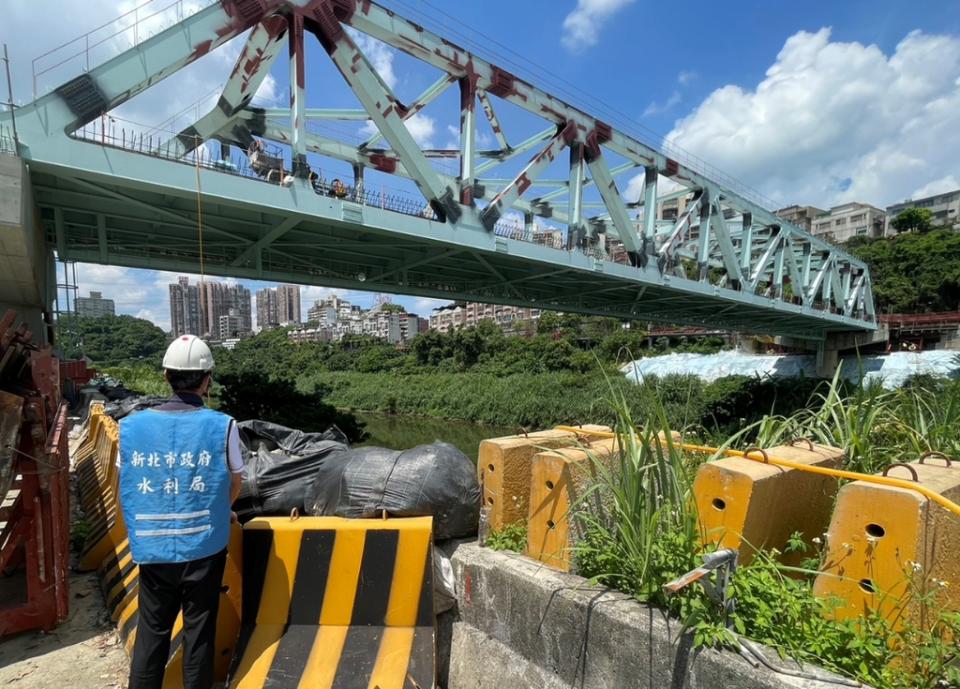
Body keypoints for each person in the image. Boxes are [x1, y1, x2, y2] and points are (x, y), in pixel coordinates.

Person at [118, 335, 243, 689]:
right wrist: (225, 512)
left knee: (152, 632)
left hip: (153, 547)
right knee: (199, 632)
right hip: (205, 545)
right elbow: (234, 481)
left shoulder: (130, 427)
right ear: (207, 380)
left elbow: (125, 484)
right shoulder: (224, 425)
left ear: (165, 376)